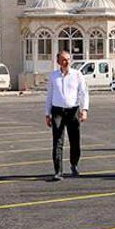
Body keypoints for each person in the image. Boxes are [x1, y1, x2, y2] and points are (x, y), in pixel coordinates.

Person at [45, 50, 89, 181]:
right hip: (57, 111)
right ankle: (58, 171)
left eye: (68, 59)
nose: (67, 62)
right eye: (63, 59)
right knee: (58, 141)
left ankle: (74, 165)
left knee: (75, 140)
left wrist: (84, 109)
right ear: (58, 61)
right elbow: (49, 96)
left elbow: (83, 93)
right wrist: (47, 114)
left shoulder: (77, 74)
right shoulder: (53, 76)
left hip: (73, 110)